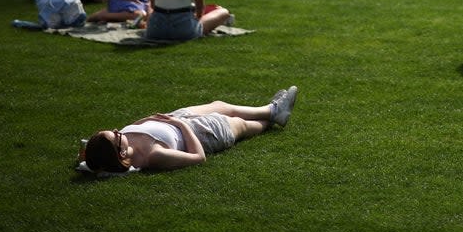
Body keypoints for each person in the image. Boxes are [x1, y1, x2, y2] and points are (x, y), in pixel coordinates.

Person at [79, 88, 299, 175]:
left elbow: (91, 157)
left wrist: (152, 119)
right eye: (115, 136)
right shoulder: (153, 156)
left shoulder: (114, 145)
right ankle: (271, 119)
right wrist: (182, 126)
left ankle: (271, 110)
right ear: (122, 155)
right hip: (199, 133)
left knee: (221, 104)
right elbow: (198, 157)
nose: (118, 131)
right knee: (239, 124)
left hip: (174, 118)